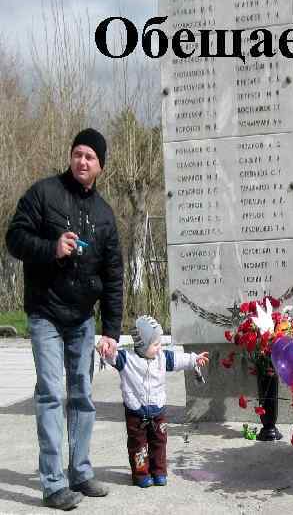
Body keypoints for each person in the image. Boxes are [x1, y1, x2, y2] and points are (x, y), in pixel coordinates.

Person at [5, 128, 123, 511]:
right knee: (51, 395)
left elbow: (113, 276)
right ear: (70, 157)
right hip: (45, 313)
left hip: (82, 319)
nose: (82, 161)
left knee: (83, 396)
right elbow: (14, 238)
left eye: (90, 157)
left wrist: (111, 330)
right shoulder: (43, 193)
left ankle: (80, 472)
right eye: (78, 154)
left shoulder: (105, 214)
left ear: (100, 166)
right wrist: (51, 248)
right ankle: (54, 483)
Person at [100, 315, 209, 487]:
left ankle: (159, 472)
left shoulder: (162, 358)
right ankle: (141, 475)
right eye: (155, 344)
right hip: (136, 413)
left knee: (160, 442)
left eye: (160, 344)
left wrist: (194, 359)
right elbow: (110, 356)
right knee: (138, 446)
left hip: (158, 411)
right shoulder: (126, 359)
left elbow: (179, 359)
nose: (159, 348)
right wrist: (106, 348)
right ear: (142, 345)